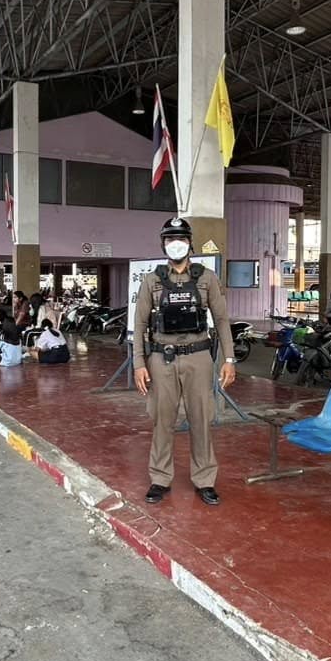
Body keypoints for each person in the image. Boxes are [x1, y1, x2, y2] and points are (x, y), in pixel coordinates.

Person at [133, 217, 236, 507]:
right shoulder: (152, 281)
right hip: (161, 359)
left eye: (180, 238)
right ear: (163, 244)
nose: (175, 244)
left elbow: (222, 319)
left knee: (201, 419)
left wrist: (229, 359)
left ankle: (205, 480)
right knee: (162, 419)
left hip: (198, 358)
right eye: (170, 239)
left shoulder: (207, 278)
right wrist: (139, 363)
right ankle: (160, 478)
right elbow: (140, 324)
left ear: (190, 243)